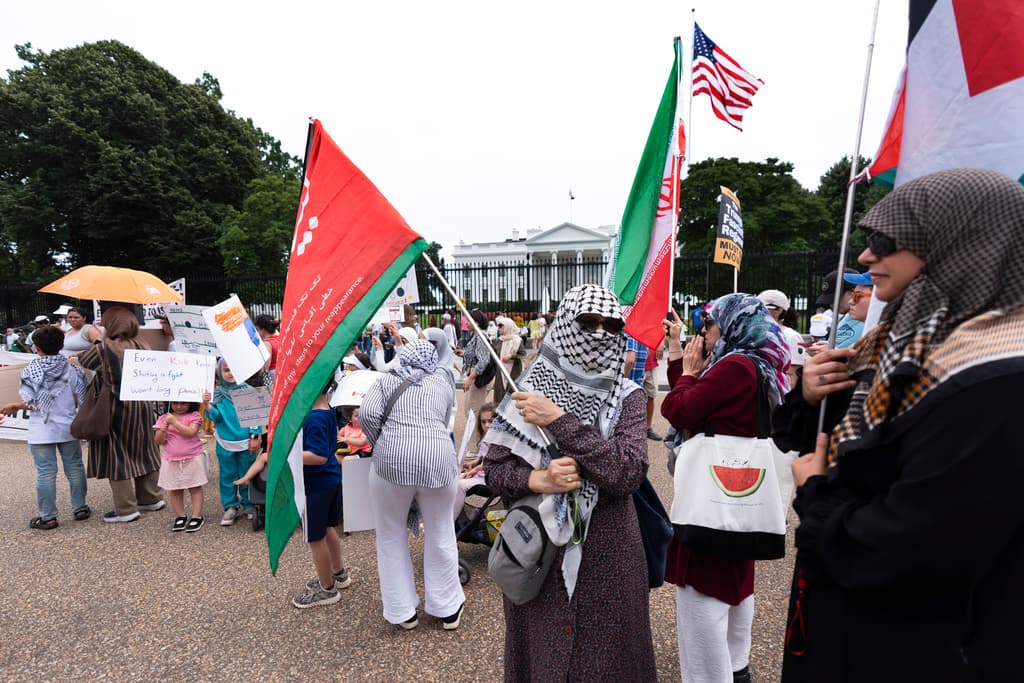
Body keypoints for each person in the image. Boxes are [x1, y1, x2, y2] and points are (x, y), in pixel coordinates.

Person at [772, 168, 1024, 681]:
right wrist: (809, 396)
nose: (866, 258)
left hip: (919, 646)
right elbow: (810, 439)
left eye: (885, 241)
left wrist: (816, 499)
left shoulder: (995, 372)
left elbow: (919, 544)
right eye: (867, 240)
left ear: (958, 242)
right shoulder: (898, 339)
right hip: (852, 624)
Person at [483, 284, 656, 682]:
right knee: (545, 660)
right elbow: (494, 472)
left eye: (610, 326)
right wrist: (539, 479)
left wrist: (559, 420)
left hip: (609, 561)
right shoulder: (525, 394)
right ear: (565, 324)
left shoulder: (626, 397)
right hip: (538, 558)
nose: (599, 334)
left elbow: (626, 472)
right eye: (588, 322)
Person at [661, 293, 791, 683]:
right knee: (735, 580)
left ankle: (711, 675)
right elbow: (697, 404)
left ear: (733, 324)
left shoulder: (734, 366)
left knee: (703, 590)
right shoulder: (759, 363)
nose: (706, 331)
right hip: (738, 500)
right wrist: (678, 359)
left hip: (712, 497)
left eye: (711, 323)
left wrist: (686, 373)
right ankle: (737, 668)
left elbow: (680, 409)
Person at [360, 340, 465, 631]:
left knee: (390, 535)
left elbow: (367, 415)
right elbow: (444, 421)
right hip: (439, 460)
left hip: (392, 462)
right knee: (441, 530)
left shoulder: (386, 379)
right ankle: (447, 608)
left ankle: (402, 611)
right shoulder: (442, 382)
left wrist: (380, 442)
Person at [77, 306, 165, 523]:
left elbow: (85, 362)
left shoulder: (105, 348)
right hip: (143, 407)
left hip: (115, 408)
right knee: (145, 450)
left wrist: (98, 340)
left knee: (118, 456)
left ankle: (126, 509)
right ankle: (151, 498)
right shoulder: (143, 344)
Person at [2, 325, 90, 529]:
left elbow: (33, 403)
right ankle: (80, 507)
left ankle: (48, 516)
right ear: (61, 345)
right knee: (75, 467)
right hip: (68, 425)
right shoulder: (73, 369)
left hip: (41, 428)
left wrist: (15, 405)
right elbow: (81, 397)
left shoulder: (30, 370)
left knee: (45, 472)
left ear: (36, 348)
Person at [291, 381, 352, 608]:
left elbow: (317, 457)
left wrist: (290, 454)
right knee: (328, 530)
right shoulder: (327, 412)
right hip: (331, 480)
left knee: (315, 537)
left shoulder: (314, 417)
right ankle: (338, 573)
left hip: (315, 485)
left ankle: (327, 589)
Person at [206, 359, 262, 526]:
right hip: (225, 441)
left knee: (246, 473)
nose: (230, 373)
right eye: (226, 370)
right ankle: (230, 505)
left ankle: (249, 503)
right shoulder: (217, 394)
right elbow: (216, 417)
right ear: (220, 374)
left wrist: (254, 437)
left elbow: (255, 417)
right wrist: (207, 406)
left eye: (234, 369)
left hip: (245, 441)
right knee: (227, 474)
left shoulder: (248, 391)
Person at [154, 399, 207, 532]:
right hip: (171, 459)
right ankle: (180, 516)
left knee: (195, 487)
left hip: (192, 457)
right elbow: (159, 440)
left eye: (183, 403)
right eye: (175, 403)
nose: (179, 406)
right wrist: (162, 429)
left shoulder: (194, 416)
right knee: (175, 489)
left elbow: (190, 433)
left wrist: (174, 423)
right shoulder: (164, 418)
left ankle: (197, 516)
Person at [452, 402, 495, 521]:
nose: (487, 425)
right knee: (451, 479)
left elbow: (493, 462)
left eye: (491, 421)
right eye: (483, 422)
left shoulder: (500, 440)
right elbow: (482, 457)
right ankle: (454, 518)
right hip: (480, 474)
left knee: (459, 485)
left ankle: (452, 520)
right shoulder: (486, 437)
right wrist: (473, 463)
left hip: (491, 478)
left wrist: (475, 469)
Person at [758, 289, 807, 388]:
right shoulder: (754, 334)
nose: (756, 311)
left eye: (761, 307)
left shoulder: (791, 336)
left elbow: (792, 375)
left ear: (778, 311)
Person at [461, 309, 495, 445]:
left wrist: (470, 378)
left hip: (477, 379)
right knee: (470, 411)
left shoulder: (480, 337)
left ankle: (476, 446)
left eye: (469, 320)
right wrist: (464, 355)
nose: (466, 323)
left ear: (476, 322)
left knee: (474, 413)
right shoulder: (476, 336)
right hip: (475, 377)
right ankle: (477, 444)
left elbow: (483, 361)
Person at [624, 332, 662, 440]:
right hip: (638, 367)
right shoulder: (633, 327)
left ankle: (646, 428)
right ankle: (638, 430)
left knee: (649, 396)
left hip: (648, 364)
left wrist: (661, 342)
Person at [491, 316, 524, 404]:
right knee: (499, 396)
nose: (499, 328)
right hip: (500, 372)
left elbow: (522, 354)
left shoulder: (517, 340)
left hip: (514, 372)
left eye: (501, 326)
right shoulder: (499, 341)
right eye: (498, 326)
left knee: (512, 396)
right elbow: (493, 354)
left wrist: (510, 356)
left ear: (508, 326)